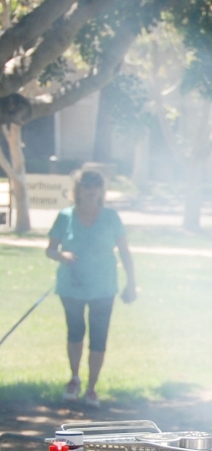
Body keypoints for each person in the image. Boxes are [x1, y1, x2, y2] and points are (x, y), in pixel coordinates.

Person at [45, 170, 137, 408]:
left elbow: (124, 251)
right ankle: (74, 379)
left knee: (99, 335)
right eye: (86, 186)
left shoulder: (111, 217)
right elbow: (50, 249)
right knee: (75, 331)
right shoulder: (65, 216)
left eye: (96, 186)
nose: (91, 190)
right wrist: (62, 255)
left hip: (103, 286)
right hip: (72, 285)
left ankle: (92, 388)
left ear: (101, 190)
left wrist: (131, 283)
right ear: (78, 189)